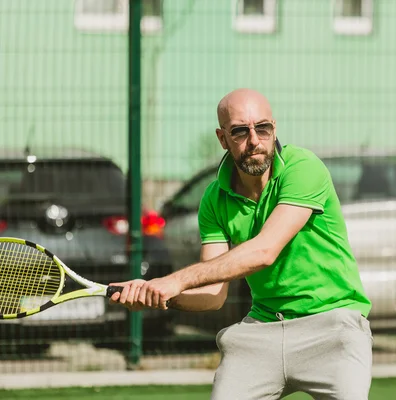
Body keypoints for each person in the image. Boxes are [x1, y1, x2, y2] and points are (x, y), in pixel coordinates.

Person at [110, 88, 373, 399]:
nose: (254, 140)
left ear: (274, 128)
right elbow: (212, 294)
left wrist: (174, 280)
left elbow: (264, 251)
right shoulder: (214, 198)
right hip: (262, 330)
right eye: (240, 131)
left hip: (334, 326)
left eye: (263, 128)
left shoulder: (304, 167)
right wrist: (162, 294)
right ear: (223, 139)